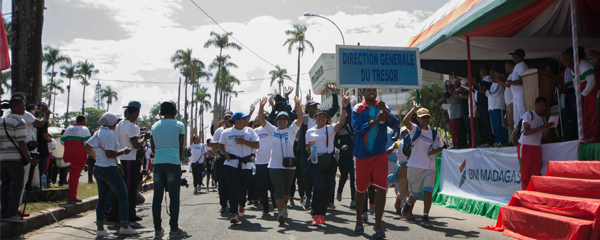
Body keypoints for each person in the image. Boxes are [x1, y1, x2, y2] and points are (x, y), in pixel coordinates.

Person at [351, 88, 399, 238]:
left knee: (381, 188)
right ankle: (359, 220)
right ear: (364, 92)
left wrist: (386, 113)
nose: (372, 92)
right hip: (363, 154)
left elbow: (396, 124)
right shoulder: (358, 108)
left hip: (379, 154)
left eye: (374, 90)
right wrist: (375, 121)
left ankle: (378, 224)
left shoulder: (383, 106)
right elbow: (357, 129)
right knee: (361, 189)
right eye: (369, 90)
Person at [83, 112, 138, 237]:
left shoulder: (97, 133)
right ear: (112, 123)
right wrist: (123, 151)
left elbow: (86, 147)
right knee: (123, 195)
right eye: (116, 121)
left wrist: (97, 158)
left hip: (98, 168)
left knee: (102, 199)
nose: (117, 123)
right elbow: (109, 153)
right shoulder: (110, 135)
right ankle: (124, 225)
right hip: (109, 169)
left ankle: (100, 228)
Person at [258, 95, 303, 224]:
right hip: (274, 166)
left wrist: (298, 105)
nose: (282, 120)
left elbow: (300, 119)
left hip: (289, 165)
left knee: (286, 191)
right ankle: (280, 213)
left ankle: (284, 206)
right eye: (280, 119)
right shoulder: (272, 130)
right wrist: (261, 107)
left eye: (284, 119)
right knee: (278, 190)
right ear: (276, 121)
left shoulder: (292, 130)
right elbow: (261, 120)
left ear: (288, 120)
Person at [306, 94, 348, 226]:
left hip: (329, 161)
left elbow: (341, 122)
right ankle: (315, 213)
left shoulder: (330, 128)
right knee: (319, 187)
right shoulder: (309, 131)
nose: (321, 118)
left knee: (328, 189)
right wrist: (310, 145)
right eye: (319, 116)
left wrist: (344, 107)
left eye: (324, 116)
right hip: (315, 161)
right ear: (316, 118)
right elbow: (307, 149)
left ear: (327, 119)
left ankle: (322, 215)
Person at [401, 102, 444, 227]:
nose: (426, 119)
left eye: (427, 117)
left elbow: (441, 147)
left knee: (428, 192)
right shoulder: (415, 129)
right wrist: (414, 109)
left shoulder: (434, 133)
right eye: (423, 117)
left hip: (430, 167)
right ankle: (409, 204)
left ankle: (425, 217)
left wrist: (434, 151)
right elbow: (405, 120)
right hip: (415, 166)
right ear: (418, 119)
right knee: (415, 194)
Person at [297, 83, 339, 211]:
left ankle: (327, 201)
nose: (316, 108)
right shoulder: (304, 119)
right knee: (307, 177)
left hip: (323, 155)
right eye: (313, 106)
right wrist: (299, 104)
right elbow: (297, 118)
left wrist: (333, 92)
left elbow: (335, 107)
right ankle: (307, 197)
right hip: (307, 152)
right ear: (308, 108)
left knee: (325, 180)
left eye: (317, 106)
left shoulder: (324, 117)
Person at [150, 101, 188, 237]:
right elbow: (180, 146)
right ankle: (174, 229)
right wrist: (178, 160)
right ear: (174, 112)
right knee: (174, 197)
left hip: (158, 163)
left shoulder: (154, 126)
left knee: (157, 197)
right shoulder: (179, 125)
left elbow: (153, 147)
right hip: (172, 162)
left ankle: (157, 229)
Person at [110, 101, 149, 224]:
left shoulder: (119, 124)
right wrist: (145, 138)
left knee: (122, 189)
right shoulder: (131, 126)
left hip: (121, 159)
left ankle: (124, 214)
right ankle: (123, 217)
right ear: (136, 112)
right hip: (129, 161)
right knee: (127, 190)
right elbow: (136, 145)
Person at [219, 112, 260, 224]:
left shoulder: (249, 131)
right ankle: (233, 213)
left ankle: (241, 205)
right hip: (231, 164)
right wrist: (225, 153)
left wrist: (244, 141)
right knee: (233, 188)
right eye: (243, 119)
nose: (246, 120)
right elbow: (220, 144)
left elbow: (257, 145)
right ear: (236, 121)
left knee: (243, 189)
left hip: (245, 164)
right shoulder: (226, 132)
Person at [0, 94, 35, 221]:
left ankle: (3, 211)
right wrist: (29, 159)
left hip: (2, 158)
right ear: (17, 106)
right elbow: (21, 143)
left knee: (4, 185)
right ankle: (12, 212)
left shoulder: (2, 120)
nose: (24, 109)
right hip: (14, 159)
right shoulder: (19, 122)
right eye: (23, 106)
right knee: (17, 185)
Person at [561, 47, 599, 142]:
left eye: (566, 62)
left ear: (572, 59)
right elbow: (576, 85)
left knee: (593, 115)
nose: (565, 65)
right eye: (563, 63)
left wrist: (582, 96)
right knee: (584, 115)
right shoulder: (572, 69)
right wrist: (578, 97)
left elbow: (592, 83)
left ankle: (594, 136)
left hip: (593, 92)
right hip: (585, 93)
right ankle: (586, 135)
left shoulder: (584, 66)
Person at [517, 97, 553, 190]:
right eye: (542, 106)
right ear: (536, 105)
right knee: (525, 173)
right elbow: (526, 132)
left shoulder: (543, 119)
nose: (543, 108)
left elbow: (543, 137)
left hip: (536, 148)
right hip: (525, 147)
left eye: (545, 106)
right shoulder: (529, 115)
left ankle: (533, 193)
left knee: (535, 173)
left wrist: (548, 128)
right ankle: (525, 194)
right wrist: (542, 127)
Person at [61, 115, 91, 203]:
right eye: (85, 120)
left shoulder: (69, 128)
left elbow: (62, 141)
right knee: (75, 177)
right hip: (79, 156)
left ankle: (70, 194)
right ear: (83, 121)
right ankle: (72, 197)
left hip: (69, 155)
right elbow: (87, 143)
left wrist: (71, 146)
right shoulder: (84, 129)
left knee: (71, 176)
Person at [250, 117, 276, 214]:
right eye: (260, 119)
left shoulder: (273, 129)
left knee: (273, 187)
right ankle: (265, 206)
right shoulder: (255, 131)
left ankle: (274, 201)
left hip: (273, 162)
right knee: (262, 187)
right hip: (260, 163)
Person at [210, 112, 233, 213]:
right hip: (222, 158)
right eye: (226, 118)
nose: (228, 120)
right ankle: (223, 205)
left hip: (234, 158)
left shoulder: (237, 130)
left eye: (230, 118)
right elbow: (212, 145)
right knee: (222, 183)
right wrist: (221, 146)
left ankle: (233, 203)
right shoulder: (219, 131)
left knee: (233, 183)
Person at [334, 100, 355, 208]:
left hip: (355, 157)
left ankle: (353, 200)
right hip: (344, 157)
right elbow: (334, 142)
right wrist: (340, 147)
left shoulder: (356, 126)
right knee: (343, 177)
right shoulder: (340, 127)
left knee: (353, 179)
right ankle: (340, 190)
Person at [387, 127, 409, 213]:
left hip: (412, 168)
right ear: (401, 134)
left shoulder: (414, 143)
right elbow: (388, 151)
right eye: (404, 133)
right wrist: (392, 148)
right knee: (402, 191)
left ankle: (407, 209)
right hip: (402, 169)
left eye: (408, 132)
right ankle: (399, 204)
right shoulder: (399, 143)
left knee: (411, 191)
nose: (406, 134)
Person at [507, 49, 529, 127]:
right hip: (515, 95)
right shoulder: (517, 66)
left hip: (520, 93)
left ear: (520, 56)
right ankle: (517, 135)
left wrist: (507, 82)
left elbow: (521, 81)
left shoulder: (522, 65)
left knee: (522, 114)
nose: (513, 57)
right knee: (516, 117)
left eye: (514, 55)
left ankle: (524, 133)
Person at [485, 67, 507, 147]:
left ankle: (502, 140)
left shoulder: (499, 83)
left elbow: (495, 93)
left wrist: (486, 92)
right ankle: (497, 139)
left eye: (491, 73)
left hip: (498, 107)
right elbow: (489, 94)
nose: (489, 75)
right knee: (494, 126)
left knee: (499, 124)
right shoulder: (493, 83)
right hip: (492, 107)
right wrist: (487, 92)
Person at [476, 64, 494, 147]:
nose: (480, 72)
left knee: (487, 123)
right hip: (481, 105)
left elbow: (481, 89)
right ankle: (485, 140)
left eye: (482, 70)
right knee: (483, 123)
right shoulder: (483, 79)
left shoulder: (488, 80)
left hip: (485, 104)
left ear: (486, 71)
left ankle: (490, 140)